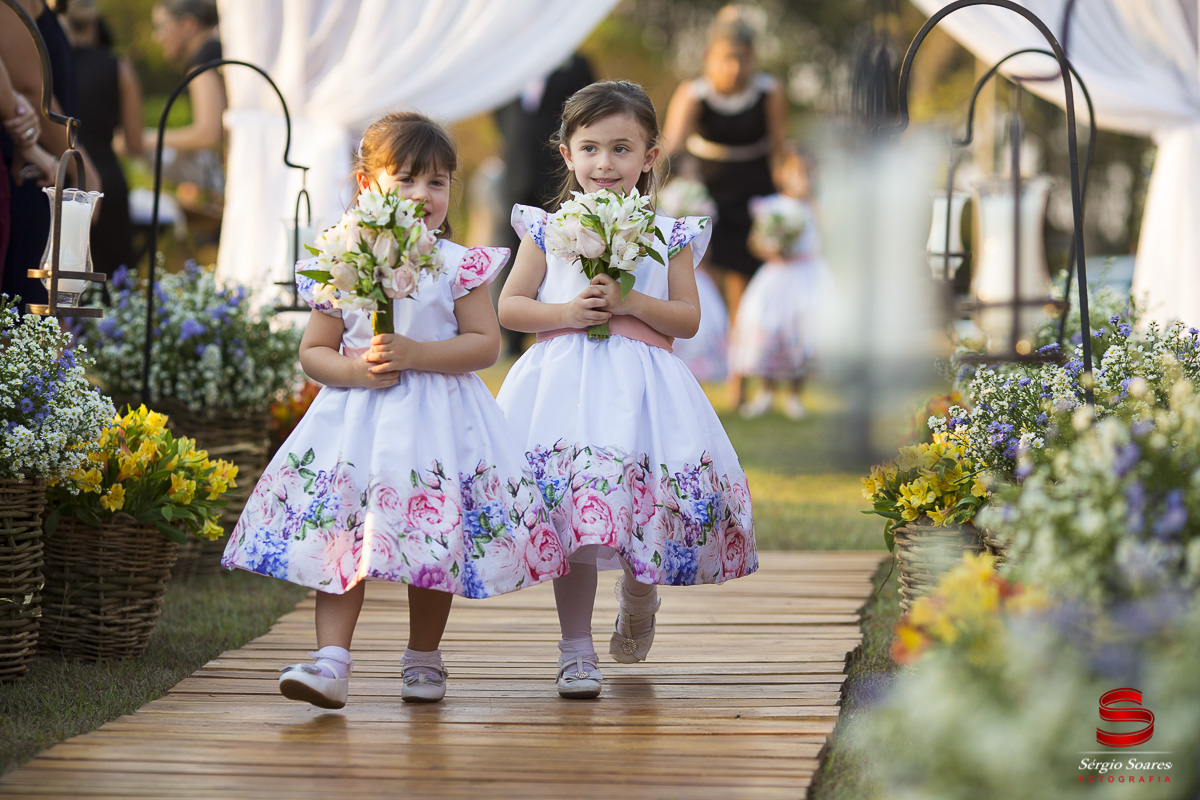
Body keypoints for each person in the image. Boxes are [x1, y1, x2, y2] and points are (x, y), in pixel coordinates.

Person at [221, 111, 566, 709]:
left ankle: (423, 655)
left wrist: (416, 353)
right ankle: (332, 660)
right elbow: (315, 352)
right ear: (366, 186)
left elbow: (484, 344)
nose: (422, 194)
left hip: (437, 422)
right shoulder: (345, 259)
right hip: (357, 422)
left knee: (432, 537)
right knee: (343, 536)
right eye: (404, 179)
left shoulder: (457, 264)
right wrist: (355, 370)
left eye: (436, 182)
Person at [497, 81, 758, 700]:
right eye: (590, 148)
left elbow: (687, 320)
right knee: (579, 518)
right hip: (567, 391)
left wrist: (632, 301)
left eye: (621, 149)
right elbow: (511, 307)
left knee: (643, 510)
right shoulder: (547, 229)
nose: (605, 164)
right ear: (566, 155)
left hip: (644, 391)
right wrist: (567, 312)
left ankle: (641, 595)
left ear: (649, 156)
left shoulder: (668, 234)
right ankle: (575, 649)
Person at [661, 4, 787, 405]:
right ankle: (691, 378)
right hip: (707, 197)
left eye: (741, 59)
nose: (733, 68)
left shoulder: (769, 91)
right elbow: (668, 147)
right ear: (710, 58)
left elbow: (780, 150)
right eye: (725, 59)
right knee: (699, 288)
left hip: (753, 194)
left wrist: (789, 206)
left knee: (745, 293)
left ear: (753, 59)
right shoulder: (693, 93)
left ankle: (740, 383)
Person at [492, 52, 595, 356]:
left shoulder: (574, 63)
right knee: (514, 248)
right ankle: (512, 339)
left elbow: (589, 113)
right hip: (517, 171)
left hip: (558, 174)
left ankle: (572, 319)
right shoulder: (509, 63)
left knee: (563, 249)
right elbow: (500, 110)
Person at [728, 147, 830, 420]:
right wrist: (772, 246)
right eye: (796, 171)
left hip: (806, 275)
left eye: (808, 172)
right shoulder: (770, 205)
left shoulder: (816, 207)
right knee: (768, 325)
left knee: (803, 329)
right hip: (777, 275)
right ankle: (766, 391)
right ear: (782, 174)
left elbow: (826, 233)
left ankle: (795, 395)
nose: (802, 177)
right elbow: (755, 242)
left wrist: (811, 200)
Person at [65, 0, 144, 278]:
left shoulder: (46, 64)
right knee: (112, 287)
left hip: (60, 176)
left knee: (59, 286)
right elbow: (135, 143)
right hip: (107, 181)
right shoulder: (117, 66)